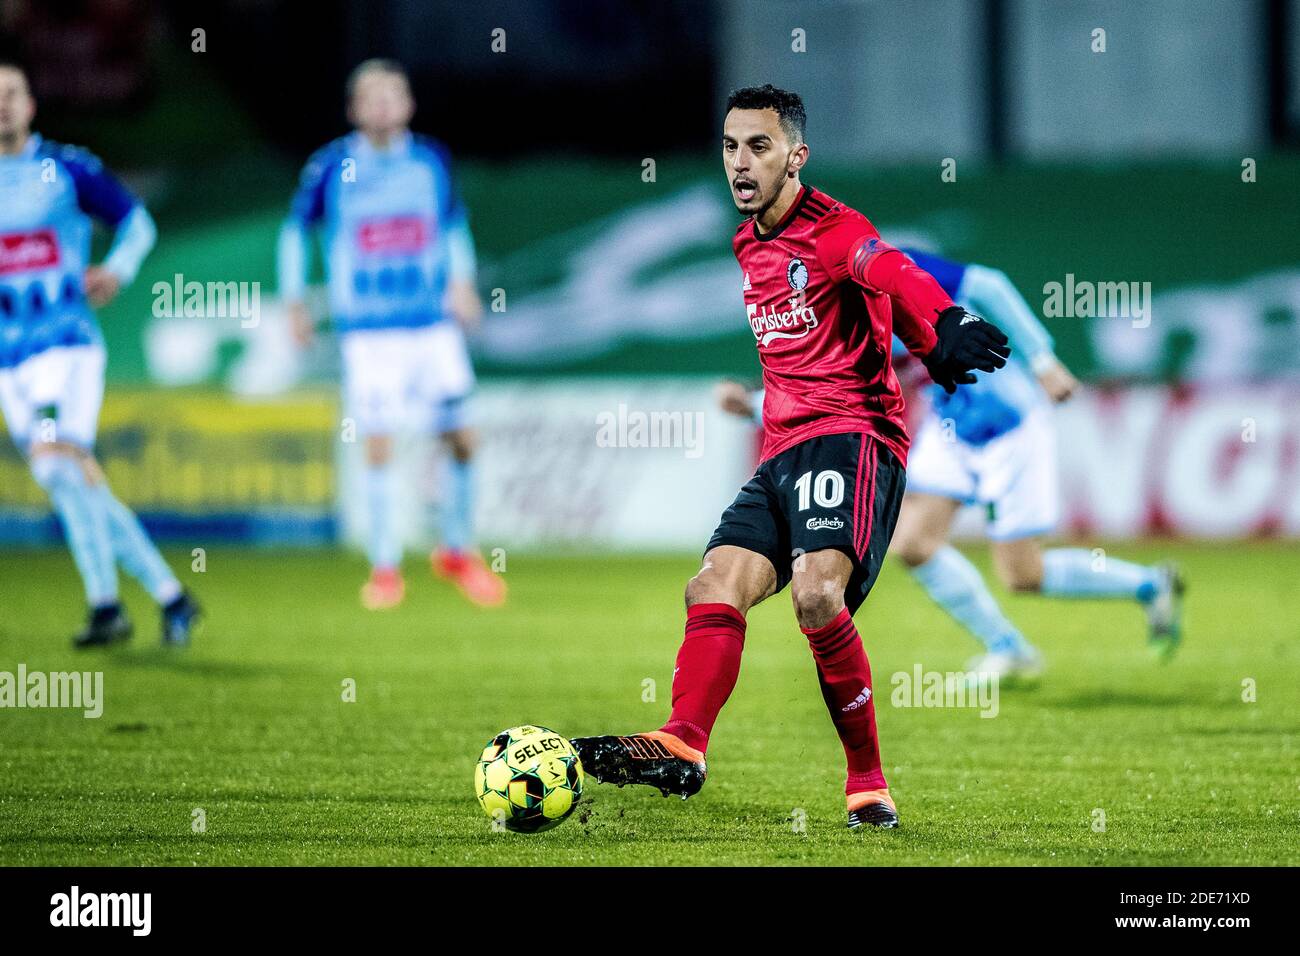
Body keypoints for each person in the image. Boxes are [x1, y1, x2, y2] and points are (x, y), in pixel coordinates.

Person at [573, 85, 1010, 830]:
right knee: (711, 585)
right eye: (731, 146)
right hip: (781, 448)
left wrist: (943, 321)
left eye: (760, 147)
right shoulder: (748, 244)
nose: (741, 164)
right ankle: (682, 743)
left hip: (853, 436)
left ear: (796, 157)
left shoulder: (836, 229)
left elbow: (889, 268)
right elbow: (807, 340)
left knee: (816, 592)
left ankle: (868, 783)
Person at [720, 247, 1186, 687]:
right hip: (952, 427)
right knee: (914, 544)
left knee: (1023, 575)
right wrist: (757, 405)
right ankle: (1008, 646)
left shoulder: (882, 263)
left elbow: (990, 285)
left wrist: (1042, 360)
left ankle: (1150, 584)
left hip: (1012, 422)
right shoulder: (832, 318)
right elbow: (833, 393)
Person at [278, 59, 504, 610]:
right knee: (379, 442)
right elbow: (294, 231)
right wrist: (294, 300)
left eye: (392, 94)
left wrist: (462, 283)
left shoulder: (430, 159)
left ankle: (456, 549)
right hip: (370, 331)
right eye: (371, 97)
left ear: (408, 104)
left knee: (462, 436)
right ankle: (384, 568)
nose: (383, 105)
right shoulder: (332, 165)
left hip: (430, 324)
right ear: (354, 109)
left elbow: (452, 225)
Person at [0, 58, 200, 647]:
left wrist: (117, 268)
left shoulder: (65, 168)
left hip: (67, 344)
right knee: (61, 475)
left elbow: (137, 222)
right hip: (9, 359)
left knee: (62, 465)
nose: (2, 103)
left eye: (12, 92)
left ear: (32, 105)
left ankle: (108, 606)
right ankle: (171, 596)